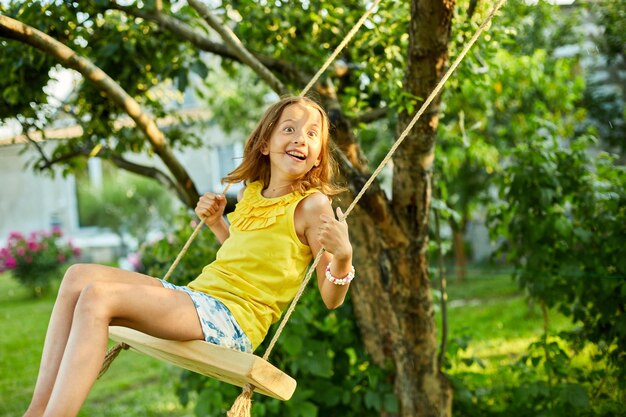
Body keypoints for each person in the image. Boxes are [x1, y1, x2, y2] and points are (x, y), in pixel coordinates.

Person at [23, 95, 355, 417]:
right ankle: (36, 411)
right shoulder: (250, 193)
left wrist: (343, 256)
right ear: (265, 143)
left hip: (233, 320)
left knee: (97, 298)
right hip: (200, 298)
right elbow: (246, 258)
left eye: (313, 134)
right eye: (290, 129)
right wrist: (216, 224)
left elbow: (331, 297)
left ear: (317, 158)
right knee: (77, 276)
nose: (300, 139)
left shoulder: (313, 205)